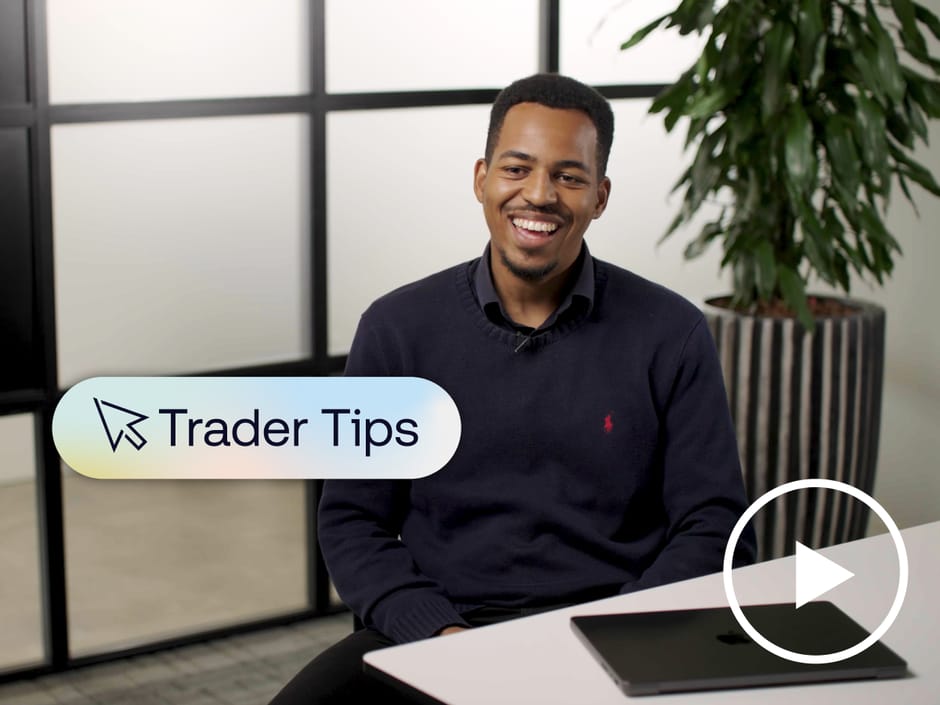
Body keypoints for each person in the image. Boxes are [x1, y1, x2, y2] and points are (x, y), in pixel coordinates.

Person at [269, 73, 755, 704]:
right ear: (482, 178)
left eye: (569, 176)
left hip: (615, 637)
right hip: (438, 634)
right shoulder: (397, 329)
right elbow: (352, 521)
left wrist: (617, 635)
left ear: (600, 196)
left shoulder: (672, 332)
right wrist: (438, 633)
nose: (539, 194)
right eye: (517, 168)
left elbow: (715, 524)